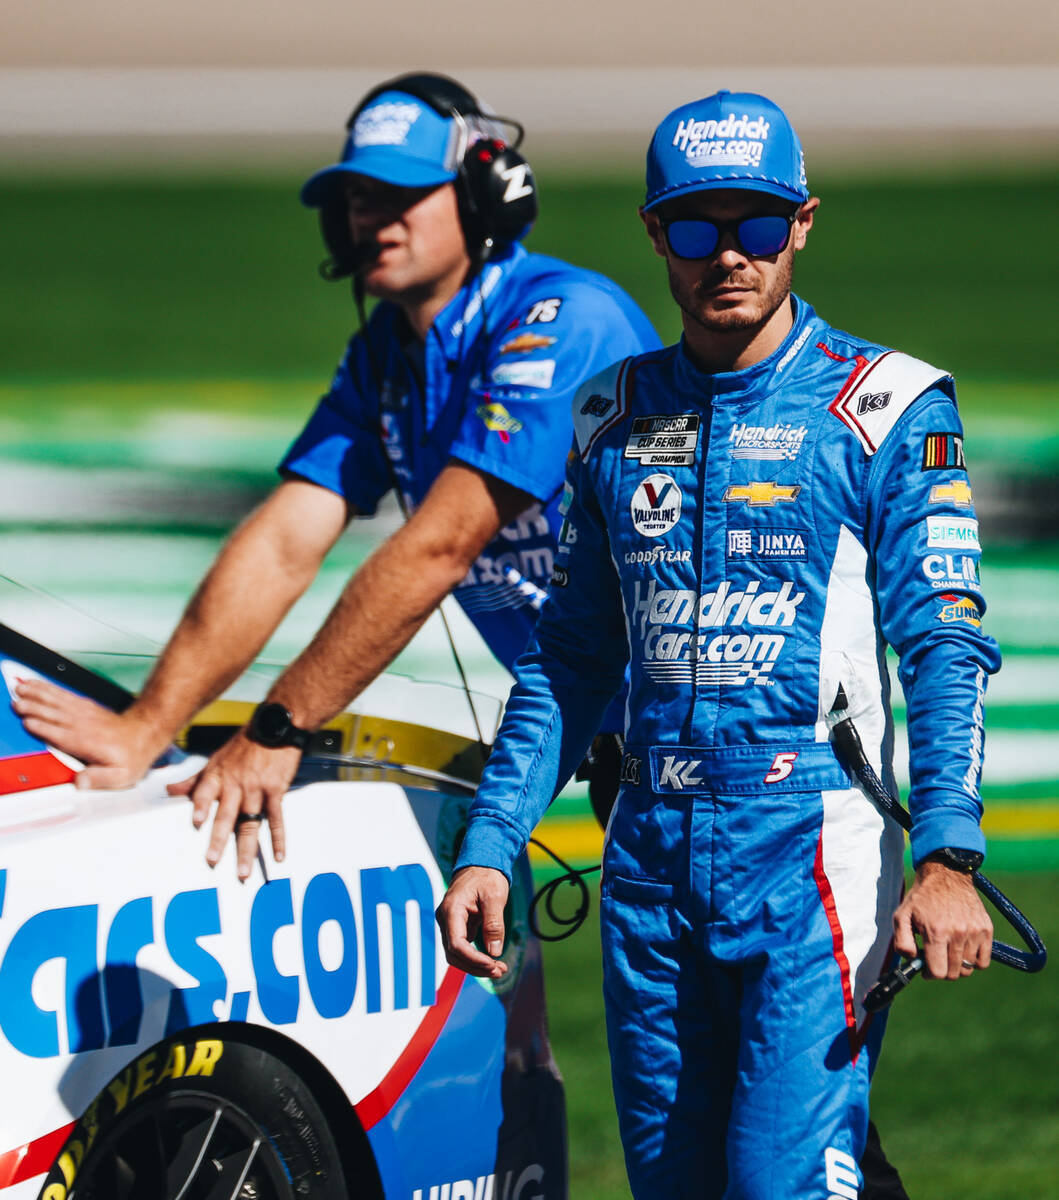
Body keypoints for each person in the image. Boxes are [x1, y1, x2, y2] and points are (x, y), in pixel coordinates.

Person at [437, 89, 1000, 1198]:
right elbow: (570, 658)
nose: (725, 256)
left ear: (802, 221)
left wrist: (946, 857)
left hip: (814, 857)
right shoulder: (610, 416)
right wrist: (492, 841)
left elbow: (944, 643)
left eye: (753, 222)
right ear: (655, 234)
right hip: (646, 855)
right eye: (696, 227)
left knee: (780, 1183)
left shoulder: (887, 407)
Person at [11, 72, 659, 881]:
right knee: (668, 1008)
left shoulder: (564, 322)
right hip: (627, 736)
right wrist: (146, 725)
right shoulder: (387, 354)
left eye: (402, 193)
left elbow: (438, 548)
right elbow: (285, 539)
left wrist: (278, 731)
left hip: (736, 727)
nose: (371, 218)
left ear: (483, 196)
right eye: (357, 197)